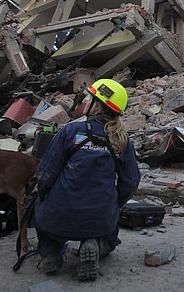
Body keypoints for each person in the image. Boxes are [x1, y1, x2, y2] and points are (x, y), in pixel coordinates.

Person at [33, 78, 141, 281]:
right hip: (98, 218)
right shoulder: (123, 142)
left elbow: (45, 173)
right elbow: (130, 182)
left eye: (89, 99)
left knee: (39, 210)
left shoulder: (71, 132)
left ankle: (51, 253)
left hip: (58, 214)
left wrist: (44, 196)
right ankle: (96, 245)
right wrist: (113, 204)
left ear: (97, 106)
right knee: (111, 232)